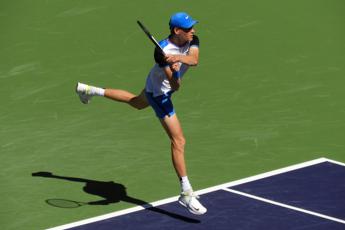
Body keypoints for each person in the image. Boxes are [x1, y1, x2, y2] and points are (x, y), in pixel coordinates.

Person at [75, 12, 206, 215]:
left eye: (192, 28)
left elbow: (194, 60)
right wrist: (173, 68)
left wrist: (178, 59)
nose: (193, 31)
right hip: (159, 93)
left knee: (136, 103)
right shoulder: (160, 52)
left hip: (154, 83)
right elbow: (176, 85)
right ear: (177, 31)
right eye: (188, 29)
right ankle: (186, 192)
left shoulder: (192, 40)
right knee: (178, 141)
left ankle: (89, 90)